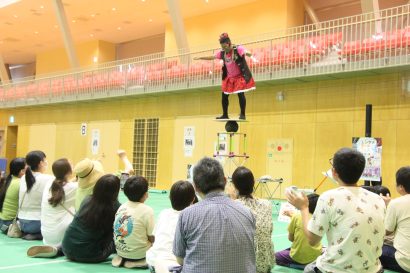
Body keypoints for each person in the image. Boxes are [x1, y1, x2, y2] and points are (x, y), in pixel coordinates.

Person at [287, 148, 385, 273]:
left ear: (334, 172)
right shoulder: (378, 199)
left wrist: (303, 208)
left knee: (308, 269)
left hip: (336, 270)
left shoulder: (328, 197)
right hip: (373, 269)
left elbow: (312, 240)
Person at [173, 157, 256, 273]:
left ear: (195, 187)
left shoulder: (187, 215)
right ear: (225, 181)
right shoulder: (248, 213)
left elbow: (180, 259)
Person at [194, 33, 256, 120]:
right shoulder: (222, 53)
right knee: (224, 95)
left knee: (240, 94)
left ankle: (242, 114)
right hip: (229, 77)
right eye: (222, 47)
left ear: (229, 43)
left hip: (239, 77)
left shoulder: (238, 48)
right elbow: (212, 57)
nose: (224, 49)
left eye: (225, 47)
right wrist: (200, 58)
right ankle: (225, 114)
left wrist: (249, 54)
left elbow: (245, 51)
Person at [62, 174, 121, 263]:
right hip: (91, 255)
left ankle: (59, 249)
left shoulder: (87, 199)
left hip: (66, 248)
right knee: (118, 233)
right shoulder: (115, 208)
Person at [27, 158, 78, 257]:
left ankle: (56, 249)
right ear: (69, 171)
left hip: (47, 237)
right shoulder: (73, 188)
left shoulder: (49, 184)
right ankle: (59, 250)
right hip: (63, 235)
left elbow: (65, 184)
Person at [231, 166, 275, 273]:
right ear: (253, 182)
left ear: (234, 185)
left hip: (246, 266)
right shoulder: (267, 204)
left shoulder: (233, 206)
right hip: (266, 263)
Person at [146, 180, 196, 273]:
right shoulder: (191, 218)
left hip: (152, 261)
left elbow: (154, 237)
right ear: (193, 199)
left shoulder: (163, 213)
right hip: (172, 266)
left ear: (169, 197)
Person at [112, 176, 154, 269]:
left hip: (120, 252)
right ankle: (138, 261)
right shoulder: (147, 210)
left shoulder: (122, 206)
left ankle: (126, 258)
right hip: (139, 255)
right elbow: (151, 236)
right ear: (145, 194)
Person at [275, 193, 322, 269]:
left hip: (298, 257)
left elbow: (291, 238)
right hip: (315, 256)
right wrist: (291, 215)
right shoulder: (320, 218)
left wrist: (293, 217)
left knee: (274, 256)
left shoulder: (297, 216)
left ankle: (295, 265)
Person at [379, 166, 410, 273]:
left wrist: (388, 206)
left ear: (401, 187)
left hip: (405, 262)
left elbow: (387, 230)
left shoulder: (396, 203)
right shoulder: (395, 203)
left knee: (372, 248)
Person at [18, 151, 53, 240]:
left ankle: (33, 234)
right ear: (41, 163)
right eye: (45, 160)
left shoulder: (23, 178)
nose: (47, 162)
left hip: (22, 222)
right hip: (37, 223)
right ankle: (37, 234)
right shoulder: (48, 178)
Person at [0, 158, 26, 232]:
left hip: (2, 222)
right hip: (10, 224)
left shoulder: (8, 180)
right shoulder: (20, 183)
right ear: (22, 171)